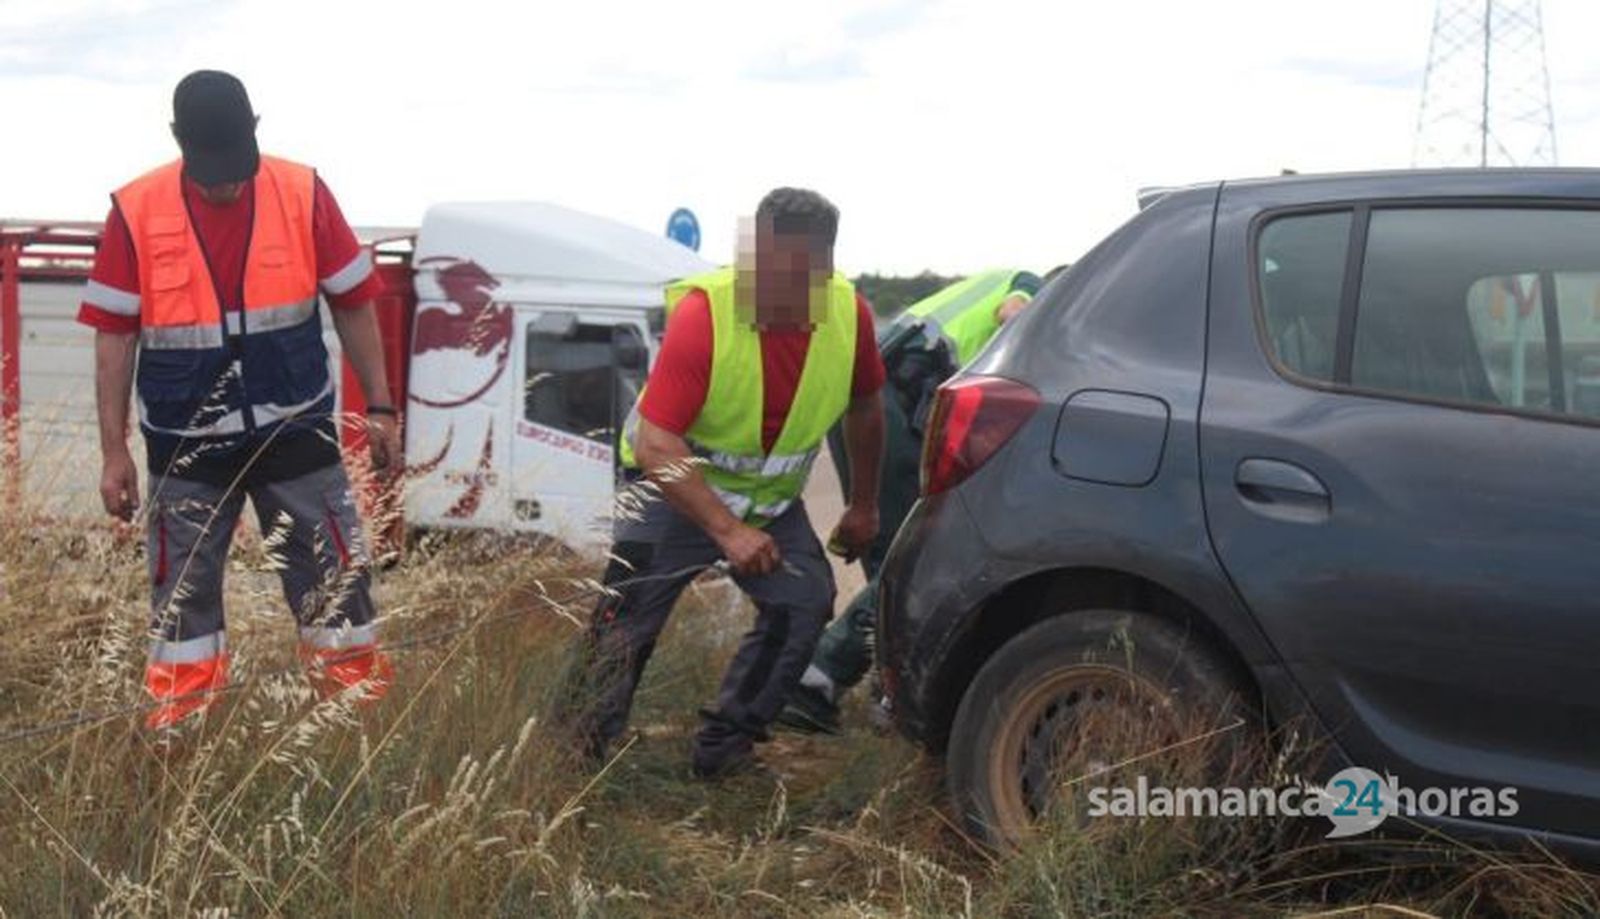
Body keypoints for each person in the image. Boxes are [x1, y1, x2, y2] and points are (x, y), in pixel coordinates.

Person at [78, 70, 401, 729]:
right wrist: (114, 452)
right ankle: (180, 738)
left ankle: (353, 727)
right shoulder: (135, 209)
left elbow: (355, 305)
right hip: (185, 444)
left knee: (337, 590)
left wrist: (383, 407)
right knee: (182, 606)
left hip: (298, 428)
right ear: (178, 142)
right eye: (209, 170)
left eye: (235, 165)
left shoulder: (303, 191)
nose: (225, 182)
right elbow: (114, 338)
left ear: (255, 132)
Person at [562, 187, 886, 778]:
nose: (779, 289)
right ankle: (575, 760)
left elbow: (867, 407)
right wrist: (727, 530)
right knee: (625, 621)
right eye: (768, 270)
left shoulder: (851, 314)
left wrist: (863, 505)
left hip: (770, 505)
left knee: (805, 604)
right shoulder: (705, 315)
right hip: (673, 490)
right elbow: (658, 444)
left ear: (825, 264)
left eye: (801, 275)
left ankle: (724, 750)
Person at [777, 268, 1047, 733]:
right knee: (915, 561)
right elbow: (1014, 315)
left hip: (865, 400)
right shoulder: (1034, 285)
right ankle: (817, 677)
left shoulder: (989, 278)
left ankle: (876, 687)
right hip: (895, 407)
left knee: (890, 556)